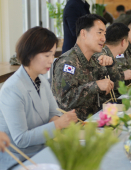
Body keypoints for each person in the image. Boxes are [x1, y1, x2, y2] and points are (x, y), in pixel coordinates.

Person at [0, 27, 78, 170]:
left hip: (42, 150)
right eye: (47, 55)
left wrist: (58, 120)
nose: (51, 60)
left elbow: (54, 113)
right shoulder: (12, 89)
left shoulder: (41, 80)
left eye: (53, 55)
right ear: (30, 54)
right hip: (19, 159)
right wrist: (58, 124)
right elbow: (21, 139)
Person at [52, 14, 114, 121]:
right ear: (84, 33)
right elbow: (65, 100)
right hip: (74, 129)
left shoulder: (94, 60)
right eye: (99, 33)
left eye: (104, 34)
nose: (103, 38)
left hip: (94, 122)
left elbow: (109, 88)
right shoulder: (67, 62)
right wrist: (96, 85)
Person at [93, 23, 131, 96]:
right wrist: (123, 76)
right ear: (123, 42)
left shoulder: (105, 54)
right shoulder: (103, 58)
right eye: (128, 41)